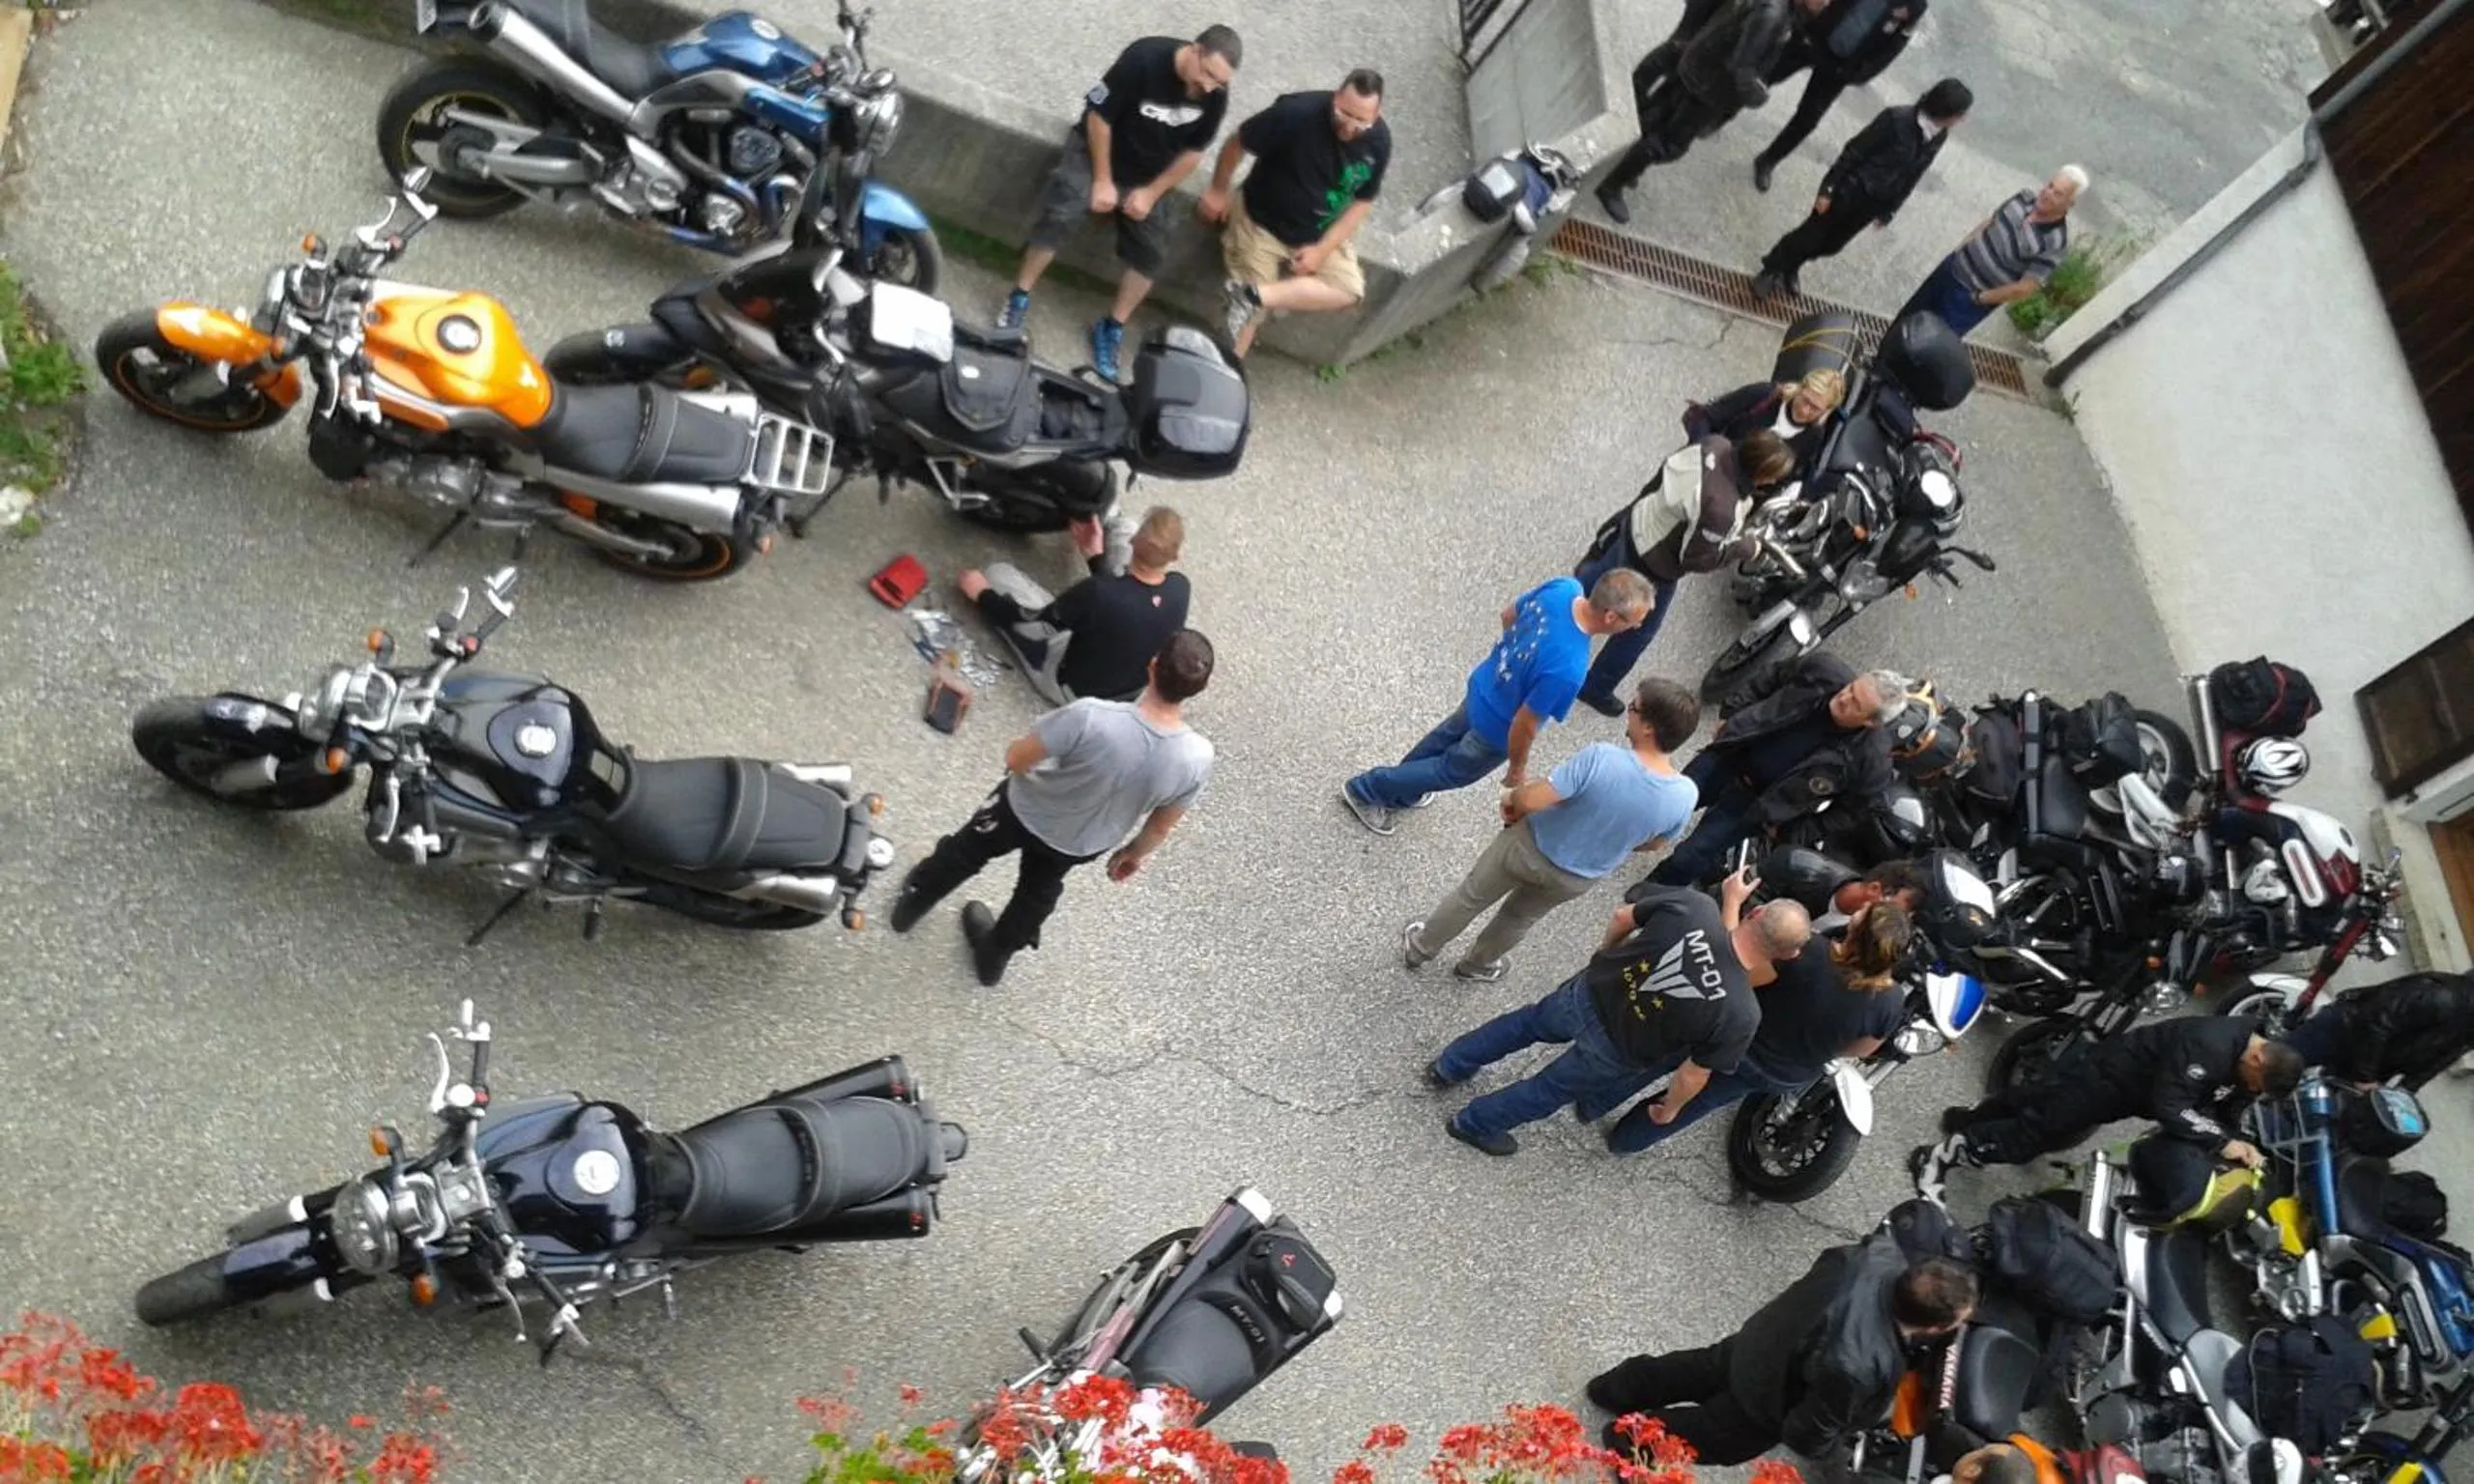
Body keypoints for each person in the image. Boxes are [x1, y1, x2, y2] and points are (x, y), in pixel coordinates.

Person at [889, 630, 1216, 985]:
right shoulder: (1197, 758)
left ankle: (914, 902)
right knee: (1037, 894)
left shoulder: (1091, 716)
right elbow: (1161, 826)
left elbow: (1017, 759)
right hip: (1081, 843)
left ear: (1152, 666)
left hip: (1022, 808)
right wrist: (1131, 854)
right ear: (1199, 689)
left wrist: (1018, 759)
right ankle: (995, 955)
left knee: (966, 852)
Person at [1424, 870, 1807, 1156]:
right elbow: (1693, 1074)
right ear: (1787, 955)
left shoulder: (1696, 907)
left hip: (1590, 991)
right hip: (1616, 1052)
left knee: (1522, 1026)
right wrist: (1668, 1110)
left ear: (1756, 915)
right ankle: (1474, 1124)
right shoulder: (1742, 1015)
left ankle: (1449, 1065)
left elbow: (1623, 917)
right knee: (1548, 1089)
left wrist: (1606, 956)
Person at [1402, 678, 1704, 983]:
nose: (1629, 713)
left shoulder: (1602, 758)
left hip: (1528, 846)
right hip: (1575, 877)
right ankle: (1475, 966)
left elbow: (1533, 800)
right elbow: (1653, 845)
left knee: (1471, 896)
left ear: (1649, 727)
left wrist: (1512, 798)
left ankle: (1421, 949)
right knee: (1518, 919)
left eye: (1634, 708)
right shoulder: (1686, 795)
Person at [1587, 1234, 1979, 1461]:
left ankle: (1613, 1388)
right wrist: (1833, 1447)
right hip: (1765, 1405)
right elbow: (1807, 1433)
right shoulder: (1860, 1365)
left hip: (1762, 1340)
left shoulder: (1876, 1254)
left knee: (1692, 1369)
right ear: (1933, 1327)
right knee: (1704, 1434)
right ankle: (1628, 1443)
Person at [999, 27, 1243, 382]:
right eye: (1207, 74)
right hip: (1096, 153)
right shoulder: (1144, 59)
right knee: (1063, 212)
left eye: (1219, 82)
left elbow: (1193, 153)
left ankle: (1111, 326)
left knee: (1153, 251)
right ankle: (1018, 296)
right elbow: (1099, 118)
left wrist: (1151, 192)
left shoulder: (1215, 94)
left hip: (1147, 173)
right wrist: (1101, 179)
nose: (1209, 86)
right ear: (1195, 50)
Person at [1341, 569, 1655, 835]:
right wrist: (1517, 769)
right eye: (1634, 622)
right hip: (1497, 728)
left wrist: (1512, 663)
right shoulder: (1570, 668)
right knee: (1450, 771)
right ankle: (1367, 790)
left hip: (1485, 683)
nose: (1637, 628)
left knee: (1444, 737)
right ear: (1611, 617)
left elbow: (1508, 615)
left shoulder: (1564, 588)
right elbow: (1525, 723)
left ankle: (1404, 790)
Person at [1603, 899, 1912, 1152]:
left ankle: (1595, 1099)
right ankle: (1627, 1140)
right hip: (1781, 1073)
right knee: (1697, 1103)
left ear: (1858, 929)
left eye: (1865, 911)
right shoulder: (1891, 1000)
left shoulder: (1808, 951)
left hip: (1732, 1039)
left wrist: (1732, 904)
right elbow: (1856, 1050)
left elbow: (1739, 975)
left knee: (1660, 1061)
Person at [1572, 429, 1798, 716]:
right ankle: (1596, 687)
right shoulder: (1722, 509)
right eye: (1775, 476)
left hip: (1638, 525)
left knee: (1597, 580)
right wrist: (1744, 547)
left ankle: (1561, 611)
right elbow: (1698, 558)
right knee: (1637, 632)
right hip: (1653, 564)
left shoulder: (1715, 444)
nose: (1776, 481)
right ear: (1763, 474)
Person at [1919, 1016, 2305, 1181]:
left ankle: (1966, 1120)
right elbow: (2173, 1108)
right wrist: (2222, 1141)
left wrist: (2241, 1142)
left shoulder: (2246, 1063)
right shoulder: (2208, 1047)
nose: (2254, 1091)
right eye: (2258, 1084)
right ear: (2257, 1058)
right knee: (2036, 1132)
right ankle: (1945, 1155)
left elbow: (2228, 1105)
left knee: (2033, 1099)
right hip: (2106, 1080)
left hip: (2117, 1088)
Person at [1643, 654, 1908, 889]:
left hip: (1754, 805)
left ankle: (1649, 895)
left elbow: (1853, 812)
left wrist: (1794, 831)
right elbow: (1770, 677)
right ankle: (1623, 835)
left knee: (1693, 855)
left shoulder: (1871, 763)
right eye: (1851, 689)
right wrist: (1733, 714)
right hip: (1730, 756)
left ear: (1871, 722)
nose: (1843, 698)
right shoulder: (1822, 671)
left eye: (1856, 704)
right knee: (1665, 804)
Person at [1200, 71, 1391, 358]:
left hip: (1316, 233)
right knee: (1245, 324)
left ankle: (1252, 295)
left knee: (1349, 291)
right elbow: (1238, 142)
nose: (1349, 126)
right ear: (1335, 97)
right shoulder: (1295, 113)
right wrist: (1218, 189)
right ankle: (1227, 366)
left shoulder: (1379, 142)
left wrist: (1321, 250)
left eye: (1361, 121)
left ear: (1377, 115)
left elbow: (1363, 201)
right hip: (1261, 223)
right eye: (1344, 113)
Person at [1594, 0, 1828, 226]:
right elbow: (1743, 69)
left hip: (1697, 62)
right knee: (1669, 142)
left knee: (1659, 114)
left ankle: (1624, 162)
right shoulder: (1773, 17)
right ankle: (1613, 183)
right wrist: (1759, 95)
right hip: (1708, 86)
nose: (1827, 2)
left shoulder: (1784, 12)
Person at [1752, 78, 1972, 302]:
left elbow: (1914, 174)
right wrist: (1828, 189)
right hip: (1849, 191)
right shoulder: (1896, 119)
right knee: (1810, 235)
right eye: (1961, 114)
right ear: (1947, 110)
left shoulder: (1938, 135)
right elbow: (1854, 151)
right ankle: (1772, 267)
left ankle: (1793, 265)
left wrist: (1891, 209)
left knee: (1832, 245)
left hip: (1875, 202)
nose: (1962, 119)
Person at [961, 506, 1191, 704]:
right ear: (1177, 555)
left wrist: (983, 595)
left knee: (997, 573)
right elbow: (1125, 599)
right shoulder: (1181, 587)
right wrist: (1094, 558)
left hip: (1072, 690)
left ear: (1134, 543)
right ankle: (1109, 519)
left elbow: (1029, 626)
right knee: (1125, 525)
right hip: (1123, 694)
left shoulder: (1096, 592)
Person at [1748, 0, 1932, 194]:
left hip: (1841, 66)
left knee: (1807, 119)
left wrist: (1860, 75)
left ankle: (1768, 160)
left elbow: (1895, 46)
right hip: (1815, 36)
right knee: (1763, 75)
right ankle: (1720, 109)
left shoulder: (1915, 5)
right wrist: (1804, 20)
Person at [1895, 167, 2086, 338]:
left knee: (1927, 344)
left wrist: (1978, 298)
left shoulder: (2055, 244)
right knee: (1905, 321)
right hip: (1950, 270)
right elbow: (1991, 221)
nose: (2046, 193)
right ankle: (1877, 364)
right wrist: (1958, 251)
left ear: (2070, 204)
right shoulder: (2023, 198)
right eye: (2050, 185)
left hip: (1967, 300)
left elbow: (2024, 289)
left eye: (2057, 193)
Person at [2285, 970, 2474, 1092]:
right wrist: (2365, 1078)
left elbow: (2437, 1062)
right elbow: (2376, 1023)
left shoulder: (2467, 1031)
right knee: (2274, 1064)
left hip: (2370, 1068)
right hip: (2344, 1030)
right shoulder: (2440, 996)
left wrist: (2404, 1093)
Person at [1683, 367, 1847, 472]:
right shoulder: (1764, 395)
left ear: (1827, 410)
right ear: (1801, 387)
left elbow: (1788, 476)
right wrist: (1701, 458)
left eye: (1815, 408)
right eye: (1805, 399)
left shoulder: (1813, 436)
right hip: (1698, 466)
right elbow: (1707, 417)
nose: (1805, 410)